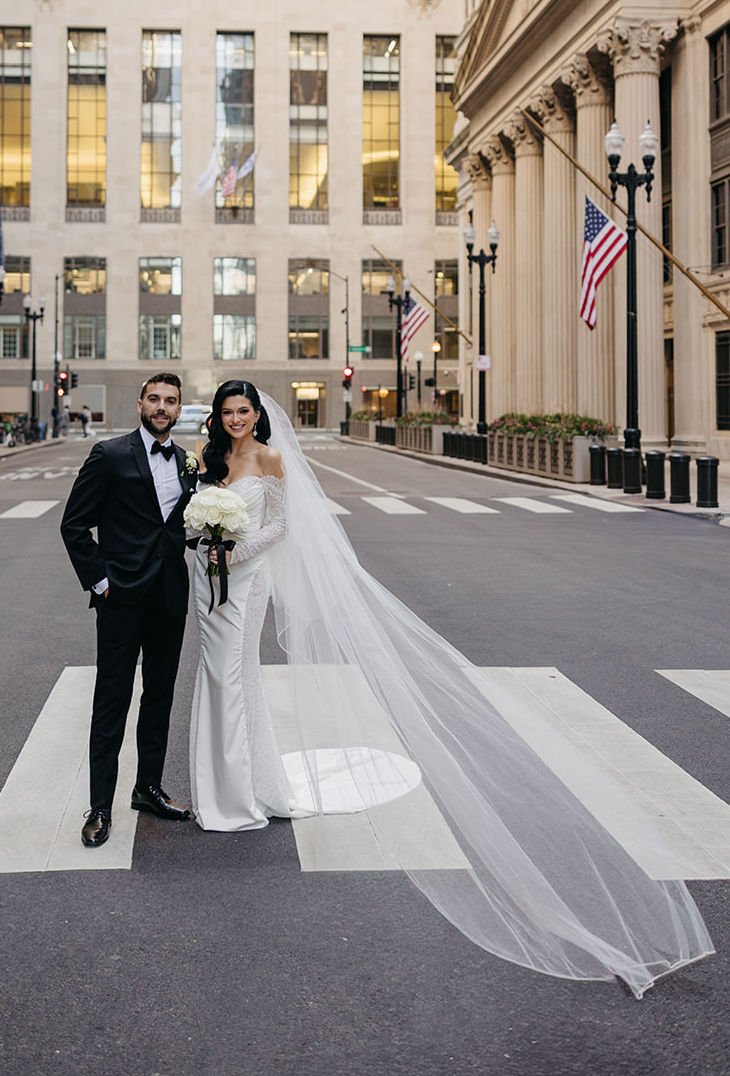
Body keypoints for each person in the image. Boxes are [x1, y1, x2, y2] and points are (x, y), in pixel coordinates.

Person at [187, 379, 713, 999]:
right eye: (228, 411)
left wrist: (235, 548)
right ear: (219, 417)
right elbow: (195, 507)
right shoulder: (209, 457)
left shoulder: (271, 459)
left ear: (257, 416)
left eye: (245, 410)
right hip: (208, 581)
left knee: (239, 680)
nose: (237, 419)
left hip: (245, 582)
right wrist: (206, 545)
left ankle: (244, 792)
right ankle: (218, 787)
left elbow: (279, 526)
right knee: (212, 677)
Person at [60, 373, 199, 849]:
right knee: (112, 700)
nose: (162, 407)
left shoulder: (186, 463)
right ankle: (100, 804)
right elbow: (74, 525)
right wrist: (102, 583)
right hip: (120, 598)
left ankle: (148, 788)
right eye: (155, 399)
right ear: (140, 403)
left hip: (168, 598)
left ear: (179, 410)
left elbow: (182, 528)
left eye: (171, 401)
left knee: (159, 697)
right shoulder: (109, 454)